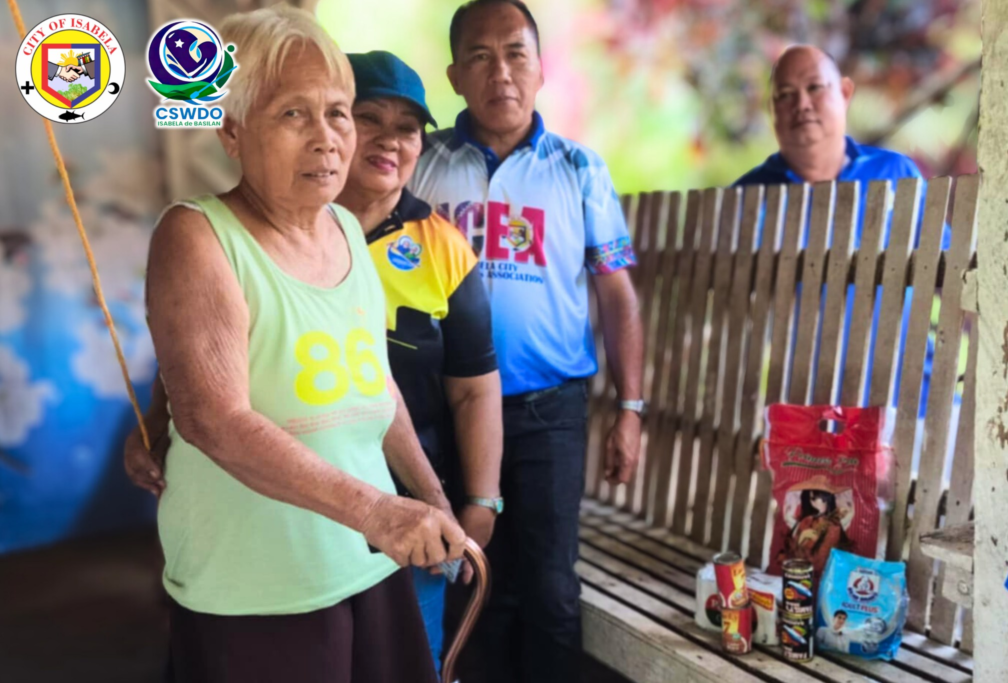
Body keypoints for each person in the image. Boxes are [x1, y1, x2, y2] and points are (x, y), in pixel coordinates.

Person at [133, 7, 464, 682]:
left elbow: (374, 383)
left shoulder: (344, 229)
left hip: (363, 561)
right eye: (292, 114)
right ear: (231, 131)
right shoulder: (197, 236)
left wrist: (431, 498)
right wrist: (379, 511)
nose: (327, 139)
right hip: (256, 584)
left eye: (338, 113)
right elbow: (214, 418)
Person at [409, 2, 645, 682]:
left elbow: (618, 294)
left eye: (516, 54)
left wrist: (631, 409)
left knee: (549, 587)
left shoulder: (578, 168)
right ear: (455, 76)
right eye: (480, 57)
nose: (501, 73)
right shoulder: (421, 165)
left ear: (541, 69)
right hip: (449, 410)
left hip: (549, 411)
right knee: (467, 573)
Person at [340, 50, 503, 675]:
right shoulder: (287, 229)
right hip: (303, 496)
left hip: (413, 496)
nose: (390, 139)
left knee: (410, 659)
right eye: (369, 118)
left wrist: (481, 502)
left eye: (407, 128)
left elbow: (474, 388)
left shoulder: (442, 247)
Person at [735, 44, 944, 422]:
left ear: (845, 93)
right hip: (810, 416)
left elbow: (953, 272)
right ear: (772, 109)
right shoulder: (750, 197)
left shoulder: (896, 175)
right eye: (785, 95)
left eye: (815, 87)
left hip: (915, 406)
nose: (801, 104)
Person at [780, 480, 852, 576]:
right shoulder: (806, 521)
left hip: (824, 575)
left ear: (829, 500)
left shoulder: (834, 526)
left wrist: (804, 540)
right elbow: (794, 555)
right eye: (813, 499)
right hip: (801, 573)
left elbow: (820, 560)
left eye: (823, 500)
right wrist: (802, 537)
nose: (817, 504)